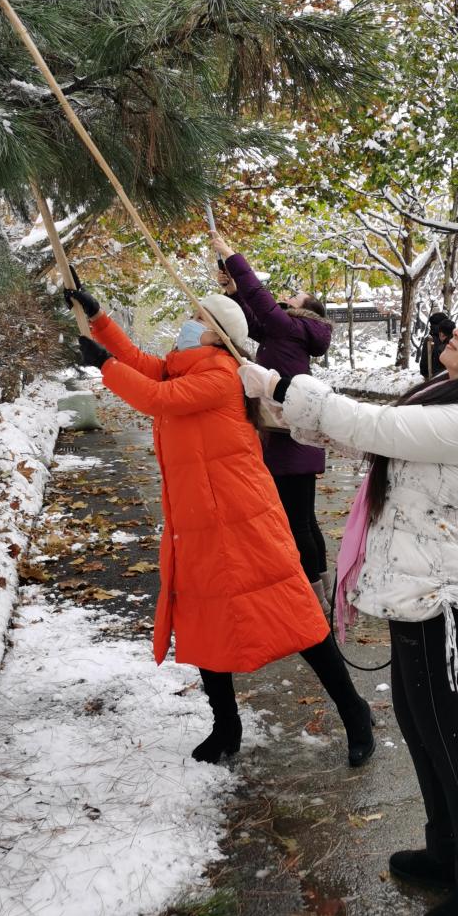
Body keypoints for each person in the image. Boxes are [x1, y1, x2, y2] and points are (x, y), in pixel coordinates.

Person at [240, 306, 458, 916]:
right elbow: (364, 438)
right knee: (423, 733)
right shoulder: (449, 394)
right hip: (418, 592)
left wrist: (283, 384)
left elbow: (375, 425)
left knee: (455, 745)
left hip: (447, 603)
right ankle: (446, 854)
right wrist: (274, 393)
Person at [62, 278, 375, 769]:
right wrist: (100, 321)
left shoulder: (220, 375)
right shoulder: (183, 366)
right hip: (199, 522)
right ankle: (226, 726)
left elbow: (155, 398)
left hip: (243, 517)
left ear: (219, 334)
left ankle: (355, 712)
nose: (189, 325)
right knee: (205, 619)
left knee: (294, 615)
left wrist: (104, 367)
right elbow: (144, 365)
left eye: (199, 319)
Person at [211, 232, 334, 610]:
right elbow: (252, 322)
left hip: (290, 438)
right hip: (290, 436)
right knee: (304, 518)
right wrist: (233, 292)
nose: (289, 296)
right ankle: (324, 591)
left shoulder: (292, 328)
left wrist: (233, 257)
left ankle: (312, 600)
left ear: (306, 310)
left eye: (296, 297)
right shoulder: (285, 332)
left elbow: (261, 301)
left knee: (297, 522)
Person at [419, 313, 453, 380]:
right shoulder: (453, 338)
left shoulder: (429, 339)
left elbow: (424, 366)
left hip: (434, 378)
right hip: (449, 377)